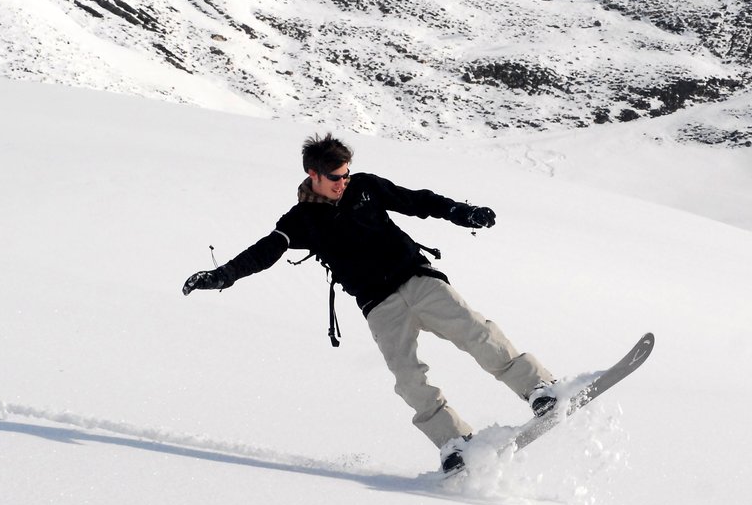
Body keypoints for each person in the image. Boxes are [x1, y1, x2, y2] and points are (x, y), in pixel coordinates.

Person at [182, 133, 557, 475]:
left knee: (476, 332)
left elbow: (417, 201)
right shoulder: (300, 221)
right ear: (313, 174)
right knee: (408, 378)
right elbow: (264, 252)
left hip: (417, 279)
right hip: (379, 306)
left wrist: (462, 212)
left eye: (346, 174)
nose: (343, 182)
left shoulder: (365, 187)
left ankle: (538, 388)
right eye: (335, 177)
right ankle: (454, 441)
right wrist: (223, 275)